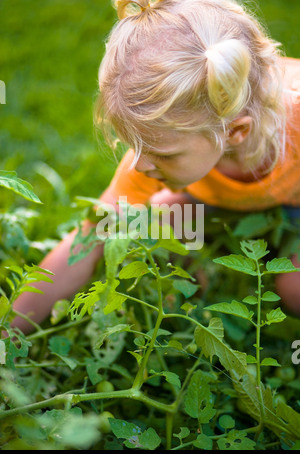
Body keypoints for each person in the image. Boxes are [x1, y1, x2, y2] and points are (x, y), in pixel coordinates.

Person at [11, 0, 300, 334]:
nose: (138, 165)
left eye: (163, 154)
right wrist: (8, 331)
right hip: (225, 200)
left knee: (294, 291)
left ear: (235, 132)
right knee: (159, 218)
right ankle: (194, 291)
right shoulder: (176, 147)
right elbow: (90, 237)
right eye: (134, 145)